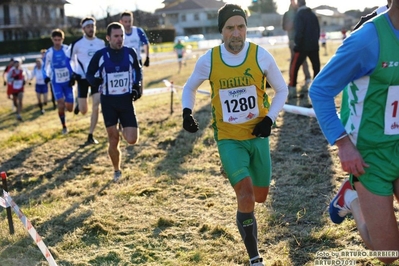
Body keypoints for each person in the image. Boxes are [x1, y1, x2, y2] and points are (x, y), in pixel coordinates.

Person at [181, 4, 288, 266]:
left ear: (246, 29)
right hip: (228, 139)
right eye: (230, 28)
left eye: (241, 26)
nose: (236, 33)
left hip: (258, 137)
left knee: (260, 197)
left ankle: (237, 178)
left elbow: (282, 90)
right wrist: (186, 113)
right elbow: (189, 88)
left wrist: (269, 120)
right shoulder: (209, 60)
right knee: (247, 196)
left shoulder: (260, 55)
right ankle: (255, 257)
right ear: (221, 31)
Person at [309, 2, 399, 264]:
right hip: (370, 156)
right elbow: (320, 90)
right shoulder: (366, 40)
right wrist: (343, 144)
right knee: (389, 253)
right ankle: (352, 199)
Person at [86, 22, 143, 182]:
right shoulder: (100, 55)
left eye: (122, 36)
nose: (119, 39)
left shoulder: (130, 52)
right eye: (116, 36)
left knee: (132, 139)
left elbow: (138, 70)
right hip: (109, 102)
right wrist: (95, 82)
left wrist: (136, 87)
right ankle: (117, 170)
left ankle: (122, 125)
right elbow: (89, 73)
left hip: (125, 101)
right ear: (108, 37)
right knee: (113, 138)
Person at [68, 17, 105, 144]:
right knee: (84, 110)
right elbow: (71, 60)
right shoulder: (77, 44)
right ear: (83, 29)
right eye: (88, 27)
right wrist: (74, 73)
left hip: (96, 79)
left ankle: (91, 134)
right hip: (82, 79)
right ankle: (80, 104)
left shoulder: (100, 43)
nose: (91, 29)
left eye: (92, 26)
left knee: (96, 106)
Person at [42, 29, 76, 135]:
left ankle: (65, 107)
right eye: (55, 40)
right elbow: (45, 66)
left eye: (59, 40)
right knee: (60, 104)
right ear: (52, 40)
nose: (57, 42)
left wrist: (74, 75)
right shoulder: (49, 52)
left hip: (68, 82)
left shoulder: (67, 49)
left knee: (70, 108)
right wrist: (46, 76)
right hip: (56, 82)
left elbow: (74, 62)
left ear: (62, 39)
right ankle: (64, 126)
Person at [288, 0, 320, 98]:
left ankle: (292, 87)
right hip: (314, 45)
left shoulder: (299, 15)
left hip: (302, 46)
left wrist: (297, 44)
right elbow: (318, 29)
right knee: (316, 67)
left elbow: (299, 30)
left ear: (298, 4)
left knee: (295, 66)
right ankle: (317, 88)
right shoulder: (313, 14)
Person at [282, 0, 311, 89]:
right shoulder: (287, 14)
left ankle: (308, 77)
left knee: (303, 60)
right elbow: (285, 27)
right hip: (292, 41)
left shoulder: (300, 12)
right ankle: (292, 80)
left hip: (302, 40)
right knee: (294, 60)